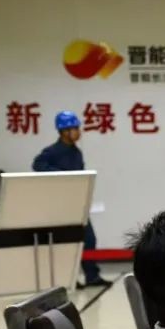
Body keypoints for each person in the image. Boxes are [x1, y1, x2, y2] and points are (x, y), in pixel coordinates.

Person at [32, 110, 107, 288]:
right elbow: (37, 165)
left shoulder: (76, 153)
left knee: (89, 240)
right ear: (64, 131)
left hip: (78, 203)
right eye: (74, 128)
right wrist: (62, 176)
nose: (78, 132)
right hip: (61, 206)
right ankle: (67, 280)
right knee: (66, 243)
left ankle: (92, 276)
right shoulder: (52, 152)